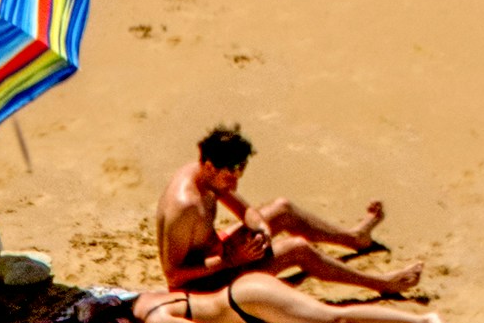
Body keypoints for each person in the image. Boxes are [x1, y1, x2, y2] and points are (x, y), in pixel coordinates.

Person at [159, 126, 397, 295]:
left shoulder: (205, 174)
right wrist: (231, 260)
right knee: (298, 249)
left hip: (219, 253)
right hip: (201, 286)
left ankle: (355, 239)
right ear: (210, 167)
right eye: (229, 178)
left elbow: (246, 210)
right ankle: (381, 284)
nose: (234, 186)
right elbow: (174, 276)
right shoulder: (185, 207)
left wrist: (261, 229)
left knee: (283, 209)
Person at [133, 268, 450, 323]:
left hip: (246, 299)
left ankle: (423, 318)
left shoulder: (155, 322)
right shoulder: (143, 303)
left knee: (334, 318)